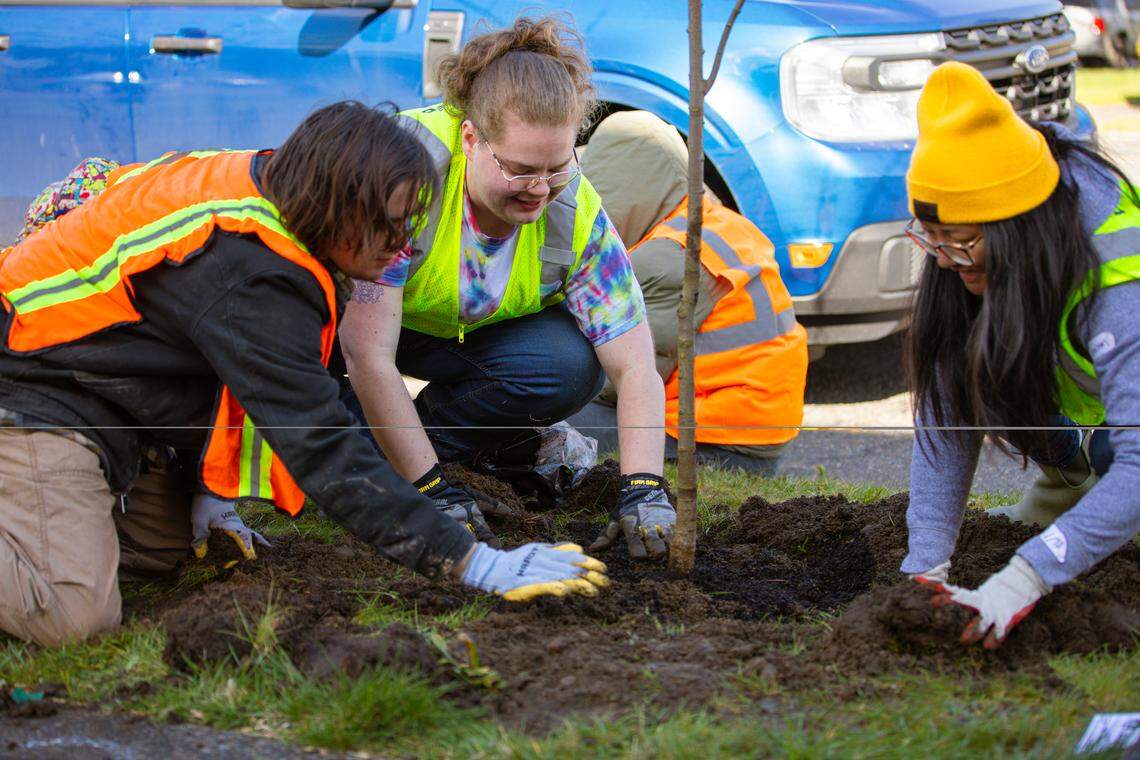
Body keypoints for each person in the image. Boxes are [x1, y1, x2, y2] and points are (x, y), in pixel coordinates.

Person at [0, 101, 607, 647]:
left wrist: (208, 492)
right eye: (391, 227)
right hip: (34, 386)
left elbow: (220, 366)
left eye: (412, 225)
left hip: (108, 386)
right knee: (72, 614)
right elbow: (319, 444)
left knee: (158, 555)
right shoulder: (249, 269)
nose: (405, 249)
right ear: (333, 206)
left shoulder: (280, 195)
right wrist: (471, 562)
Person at [337, 17, 676, 559]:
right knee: (317, 451)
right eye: (519, 170)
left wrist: (643, 488)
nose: (539, 190)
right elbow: (366, 354)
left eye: (557, 166)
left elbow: (634, 366)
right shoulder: (403, 177)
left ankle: (410, 448)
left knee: (569, 362)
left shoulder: (574, 210)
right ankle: (378, 455)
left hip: (452, 335)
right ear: (471, 139)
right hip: (340, 330)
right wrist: (429, 493)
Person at [900, 62, 1140, 648]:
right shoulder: (961, 248)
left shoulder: (1115, 271)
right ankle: (1072, 495)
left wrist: (1027, 574)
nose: (944, 261)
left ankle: (1086, 506)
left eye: (962, 245)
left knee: (1119, 456)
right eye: (933, 240)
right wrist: (924, 570)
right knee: (989, 368)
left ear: (1018, 230)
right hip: (1093, 418)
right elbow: (948, 403)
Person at [566, 111, 808, 475]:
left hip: (714, 438)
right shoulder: (716, 223)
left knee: (549, 410)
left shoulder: (666, 258)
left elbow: (625, 379)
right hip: (755, 426)